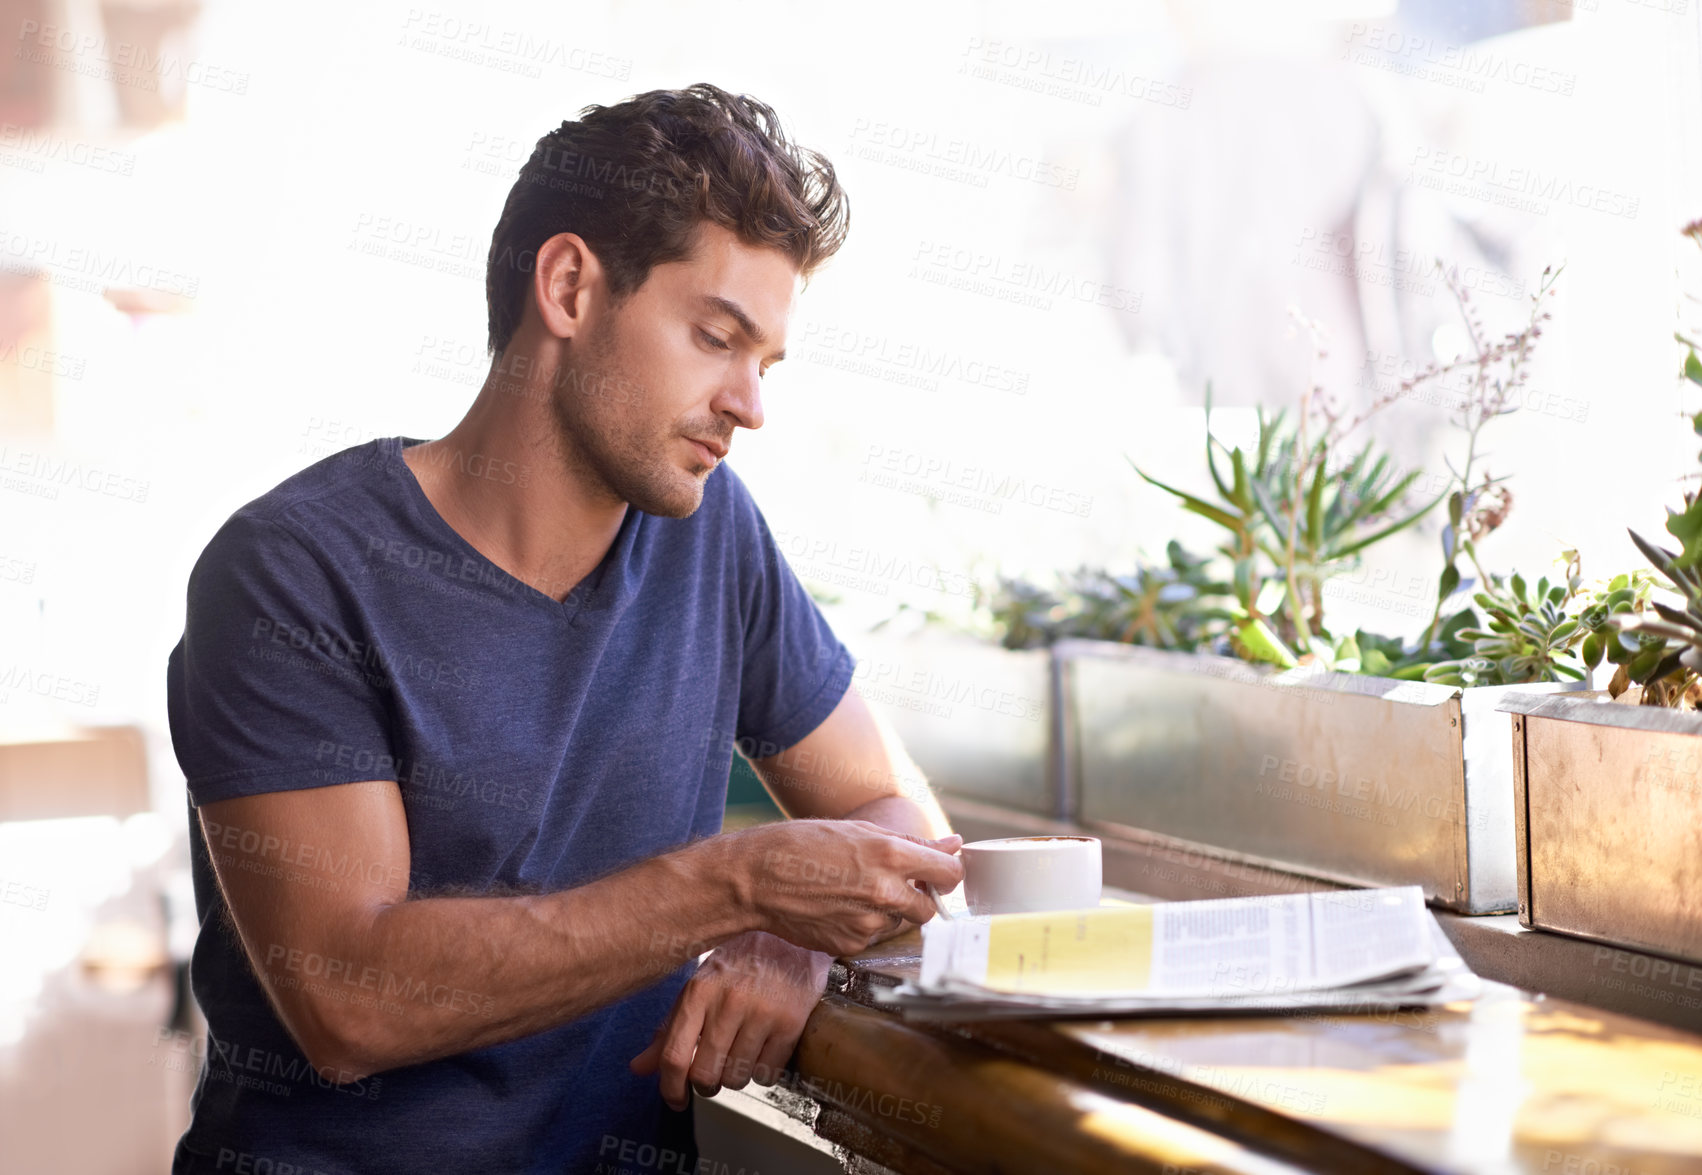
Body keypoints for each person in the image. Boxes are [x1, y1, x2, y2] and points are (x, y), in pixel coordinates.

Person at [164, 82, 964, 1175]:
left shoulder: (708, 534)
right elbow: (350, 1000)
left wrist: (791, 939)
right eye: (715, 338)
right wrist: (737, 885)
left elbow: (900, 821)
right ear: (571, 286)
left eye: (764, 363)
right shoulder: (294, 573)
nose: (749, 404)